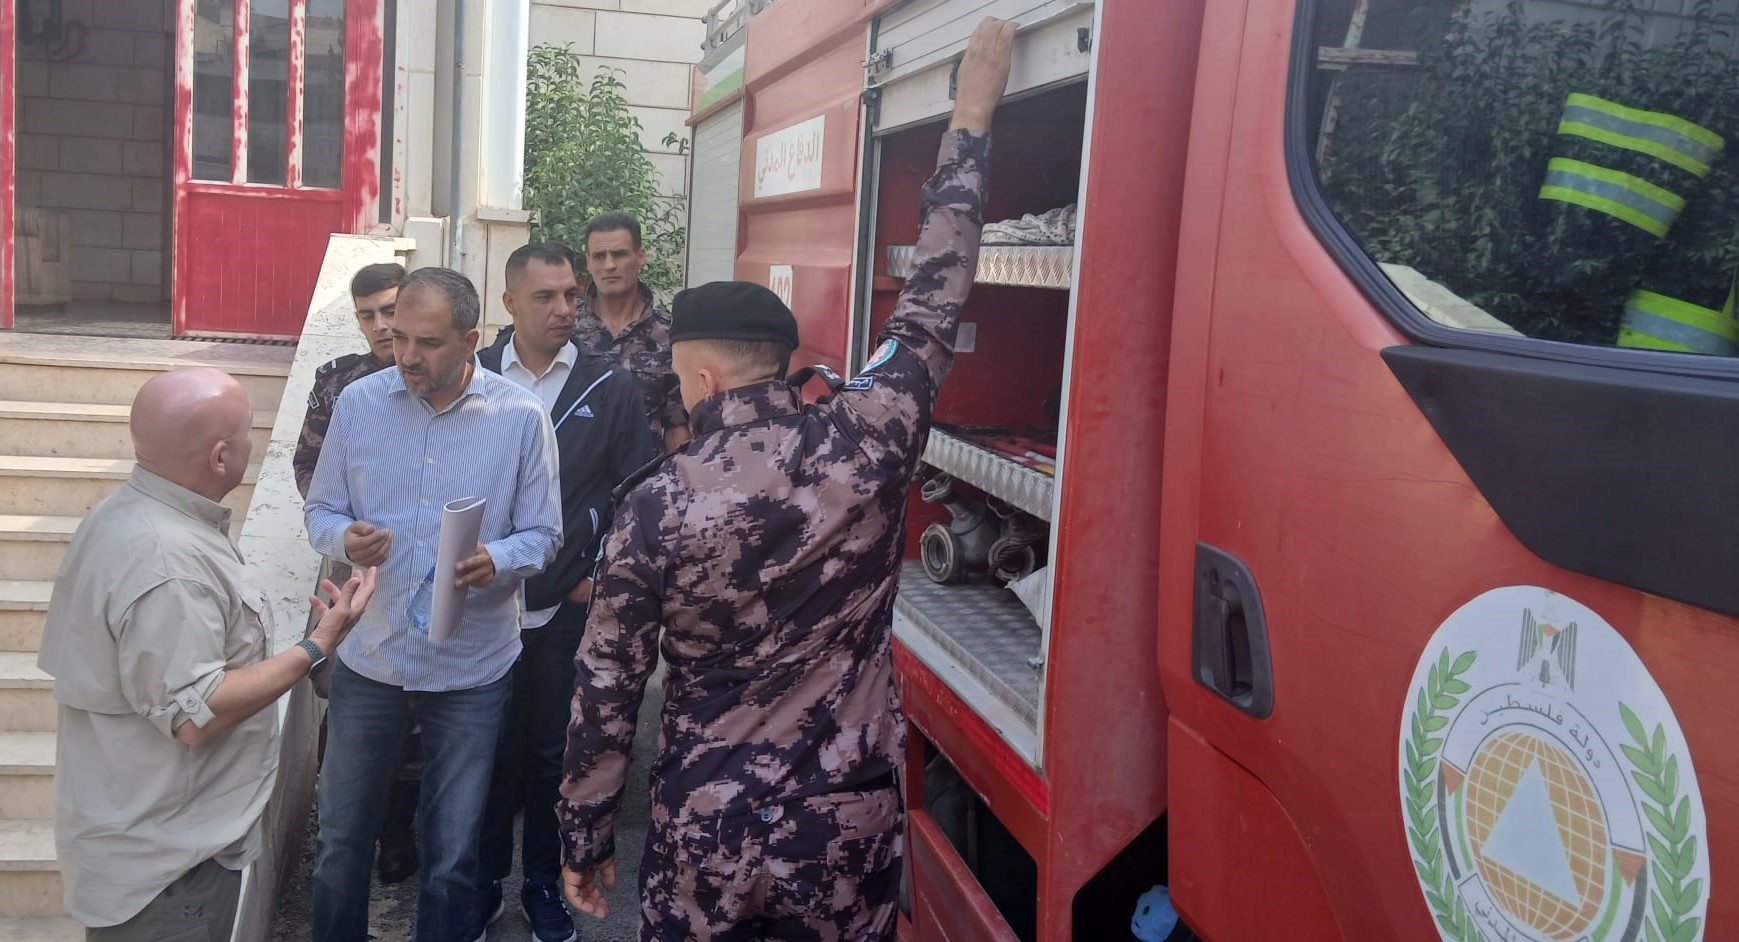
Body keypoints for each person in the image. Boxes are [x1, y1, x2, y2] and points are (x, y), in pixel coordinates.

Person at [554, 17, 1014, 941]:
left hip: (706, 823)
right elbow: (932, 302)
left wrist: (586, 834)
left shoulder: (657, 502)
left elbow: (608, 683)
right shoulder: (870, 433)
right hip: (841, 824)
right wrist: (969, 120)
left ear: (702, 376)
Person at [38, 366, 377, 940]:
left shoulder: (130, 516)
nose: (254, 442)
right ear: (221, 457)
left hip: (149, 837)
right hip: (169, 867)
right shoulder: (167, 560)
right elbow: (197, 712)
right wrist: (317, 645)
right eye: (248, 431)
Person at [304, 267, 563, 942]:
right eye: (399, 338)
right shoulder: (358, 403)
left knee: (452, 857)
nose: (407, 356)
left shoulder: (520, 417)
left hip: (471, 668)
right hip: (372, 657)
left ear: (471, 339)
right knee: (339, 844)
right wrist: (345, 537)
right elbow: (320, 510)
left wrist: (497, 558)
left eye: (428, 342)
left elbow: (545, 534)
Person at [475, 243, 658, 942]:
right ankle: (481, 883)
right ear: (509, 303)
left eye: (570, 296)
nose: (563, 310)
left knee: (554, 754)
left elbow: (635, 494)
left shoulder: (608, 386)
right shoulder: (475, 374)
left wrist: (595, 577)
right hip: (482, 606)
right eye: (545, 297)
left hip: (564, 607)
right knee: (487, 751)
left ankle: (543, 887)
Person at [292, 261, 425, 887]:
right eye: (367, 315)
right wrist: (347, 529)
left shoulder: (438, 375)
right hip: (356, 570)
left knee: (415, 711)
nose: (381, 325)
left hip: (422, 573)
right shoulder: (338, 382)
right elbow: (307, 467)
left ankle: (398, 833)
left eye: (390, 310)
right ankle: (343, 830)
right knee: (346, 699)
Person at [571, 211, 692, 452]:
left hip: (643, 472)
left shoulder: (669, 334)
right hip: (574, 472)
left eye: (619, 254)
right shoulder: (567, 328)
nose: (609, 265)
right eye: (599, 256)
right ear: (588, 262)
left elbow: (676, 427)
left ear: (641, 257)